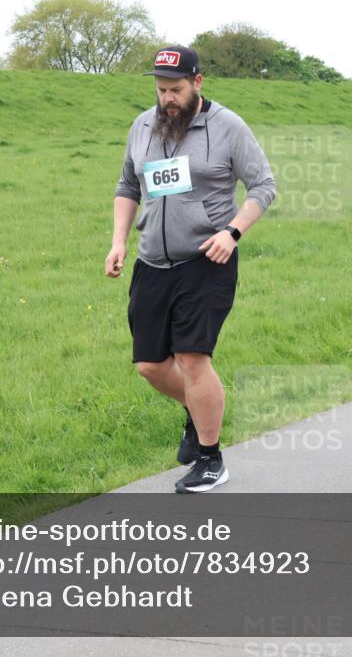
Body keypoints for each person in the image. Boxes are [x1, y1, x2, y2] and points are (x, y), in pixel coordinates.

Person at [106, 46, 276, 493]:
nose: (168, 99)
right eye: (161, 90)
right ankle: (200, 411)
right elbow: (128, 184)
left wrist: (232, 233)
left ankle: (210, 459)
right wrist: (118, 242)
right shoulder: (142, 126)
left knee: (192, 358)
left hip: (207, 259)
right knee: (149, 365)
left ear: (198, 83)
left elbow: (263, 185)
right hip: (151, 261)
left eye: (176, 89)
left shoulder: (227, 127)